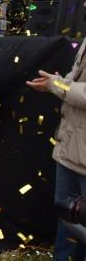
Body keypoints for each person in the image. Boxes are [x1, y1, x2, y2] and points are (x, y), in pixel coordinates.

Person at [27, 38, 86, 260]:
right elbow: (74, 77)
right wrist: (56, 83)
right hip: (69, 150)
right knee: (67, 217)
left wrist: (57, 85)